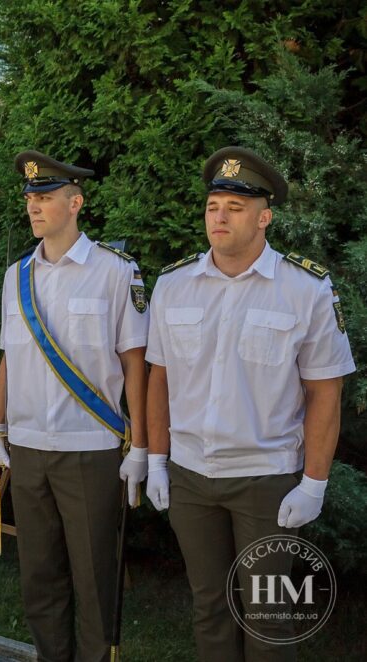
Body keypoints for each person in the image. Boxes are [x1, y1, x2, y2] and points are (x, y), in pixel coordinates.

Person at [140, 147, 355, 661]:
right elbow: (159, 380)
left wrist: (315, 483)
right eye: (214, 205)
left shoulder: (305, 289)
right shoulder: (173, 286)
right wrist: (154, 460)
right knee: (209, 607)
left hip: (266, 479)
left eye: (235, 208)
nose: (220, 217)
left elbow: (326, 391)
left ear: (264, 217)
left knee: (269, 618)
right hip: (191, 476)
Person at [0, 151, 149, 662]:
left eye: (45, 197)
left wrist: (141, 444)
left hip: (90, 448)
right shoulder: (17, 276)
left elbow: (136, 363)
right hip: (29, 447)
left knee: (95, 575)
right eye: (30, 197)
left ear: (75, 203)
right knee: (39, 575)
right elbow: (11, 354)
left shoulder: (115, 272)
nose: (33, 206)